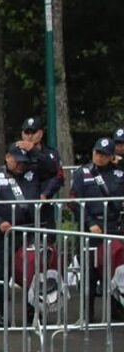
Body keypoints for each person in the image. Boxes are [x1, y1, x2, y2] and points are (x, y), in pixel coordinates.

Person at [0, 143, 43, 327]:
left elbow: (55, 169)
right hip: (4, 232)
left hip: (30, 232)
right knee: (0, 275)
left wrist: (34, 149)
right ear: (7, 157)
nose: (21, 165)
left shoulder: (34, 173)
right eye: (17, 161)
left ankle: (33, 311)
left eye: (24, 162)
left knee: (33, 272)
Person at [69, 137, 124, 321]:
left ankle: (116, 309)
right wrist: (90, 222)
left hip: (113, 226)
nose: (99, 157)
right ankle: (87, 312)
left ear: (111, 156)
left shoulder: (119, 173)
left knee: (115, 270)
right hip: (90, 228)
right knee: (88, 272)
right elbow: (75, 201)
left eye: (104, 154)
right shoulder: (82, 173)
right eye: (97, 152)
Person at [17, 117, 65, 228]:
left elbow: (56, 173)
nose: (30, 136)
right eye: (27, 133)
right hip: (21, 205)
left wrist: (34, 151)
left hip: (43, 204)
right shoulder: (16, 152)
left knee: (47, 235)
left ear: (41, 133)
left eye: (33, 132)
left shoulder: (51, 153)